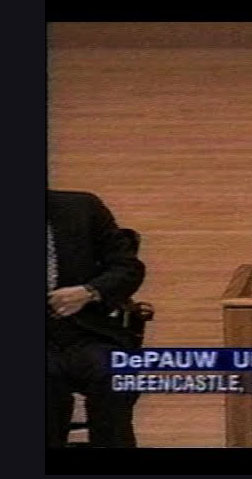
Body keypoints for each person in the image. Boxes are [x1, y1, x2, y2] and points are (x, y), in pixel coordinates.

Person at [47, 190, 145, 447]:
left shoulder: (83, 208)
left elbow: (128, 268)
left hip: (88, 333)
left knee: (114, 375)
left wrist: (89, 292)